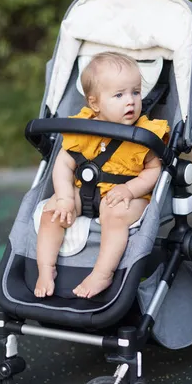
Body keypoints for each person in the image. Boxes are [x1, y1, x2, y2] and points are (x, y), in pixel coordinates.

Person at [34, 51, 169, 299]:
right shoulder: (82, 127)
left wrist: (130, 189)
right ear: (94, 103)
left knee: (115, 212)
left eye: (135, 92)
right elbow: (63, 164)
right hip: (84, 191)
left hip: (126, 196)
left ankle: (103, 273)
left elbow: (154, 170)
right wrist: (64, 197)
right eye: (119, 95)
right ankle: (45, 268)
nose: (130, 101)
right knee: (51, 212)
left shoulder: (145, 133)